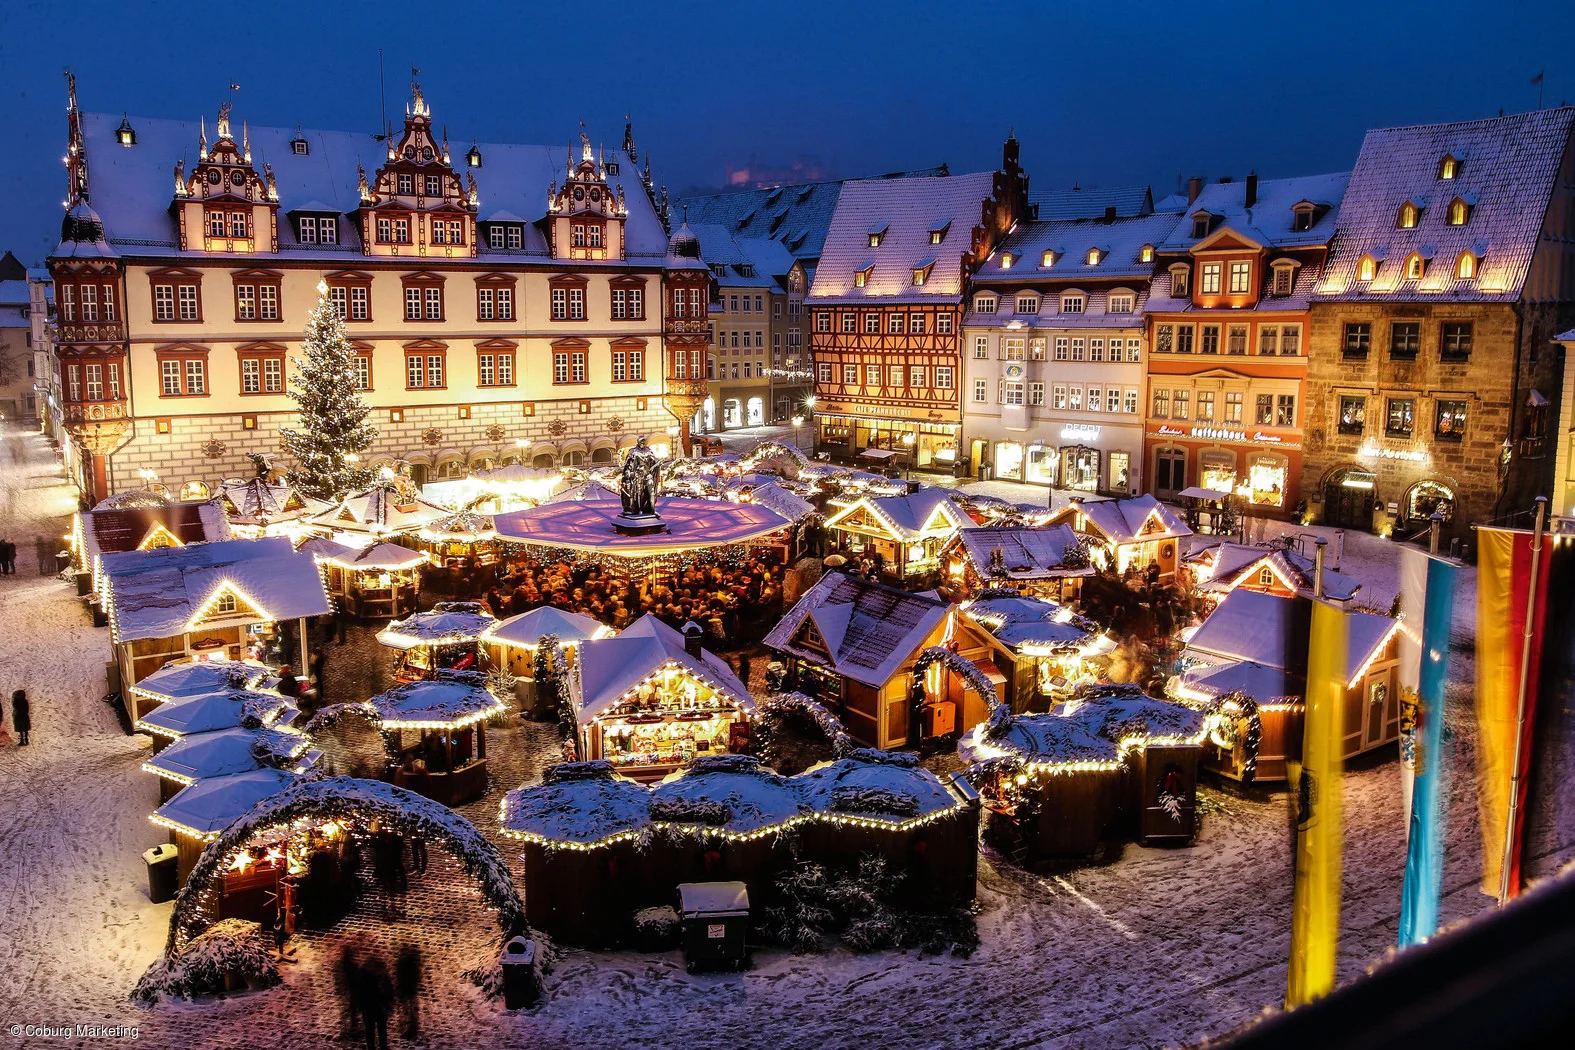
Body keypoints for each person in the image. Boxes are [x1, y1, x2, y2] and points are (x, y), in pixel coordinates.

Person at [356, 954, 393, 1050]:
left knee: (370, 1030)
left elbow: (358, 993)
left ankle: (373, 1047)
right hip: (378, 1008)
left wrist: (360, 1006)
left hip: (370, 1009)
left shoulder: (363, 977)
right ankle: (381, 1047)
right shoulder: (382, 976)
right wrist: (389, 1005)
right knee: (380, 1031)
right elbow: (389, 991)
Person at [394, 946, 423, 1040]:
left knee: (406, 1010)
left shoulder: (401, 963)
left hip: (405, 989)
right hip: (410, 989)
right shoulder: (413, 963)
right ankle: (411, 1030)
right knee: (410, 1010)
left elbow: (399, 976)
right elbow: (418, 977)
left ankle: (407, 1029)